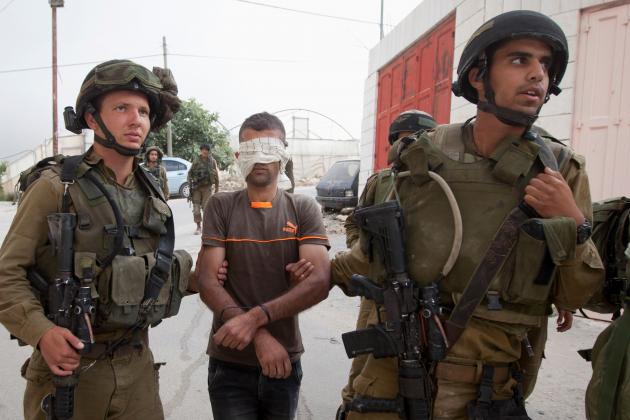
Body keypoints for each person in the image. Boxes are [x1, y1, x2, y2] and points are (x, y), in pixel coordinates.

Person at [331, 10, 604, 420]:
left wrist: (572, 223)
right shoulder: (422, 157)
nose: (537, 75)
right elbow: (369, 259)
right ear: (478, 76)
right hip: (389, 381)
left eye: (545, 65)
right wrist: (310, 274)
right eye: (519, 60)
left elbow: (576, 296)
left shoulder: (561, 171)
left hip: (485, 391)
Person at [0, 59, 193, 420]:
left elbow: (146, 270)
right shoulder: (56, 187)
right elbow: (7, 274)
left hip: (137, 370)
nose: (136, 119)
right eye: (121, 108)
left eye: (143, 111)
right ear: (92, 119)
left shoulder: (152, 191)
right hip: (70, 372)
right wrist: (41, 333)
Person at [195, 111, 331, 420]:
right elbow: (206, 281)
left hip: (283, 361)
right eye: (250, 148)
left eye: (269, 148)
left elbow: (319, 280)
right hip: (229, 363)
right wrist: (260, 334)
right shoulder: (221, 205)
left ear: (284, 152)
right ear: (237, 155)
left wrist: (254, 318)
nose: (260, 158)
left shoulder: (303, 208)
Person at [339, 109, 437, 410]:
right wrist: (363, 252)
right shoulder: (380, 181)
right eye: (405, 141)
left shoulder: (441, 183)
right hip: (379, 289)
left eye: (421, 140)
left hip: (429, 291)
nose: (411, 147)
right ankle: (352, 408)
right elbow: (354, 223)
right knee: (365, 366)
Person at [188, 142, 219, 234]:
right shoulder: (196, 161)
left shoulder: (212, 161)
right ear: (201, 150)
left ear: (209, 151)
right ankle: (198, 227)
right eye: (203, 150)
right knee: (196, 208)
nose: (205, 151)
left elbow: (216, 175)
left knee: (206, 208)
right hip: (196, 188)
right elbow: (190, 174)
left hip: (207, 188)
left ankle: (207, 227)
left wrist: (217, 187)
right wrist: (191, 185)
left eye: (207, 150)